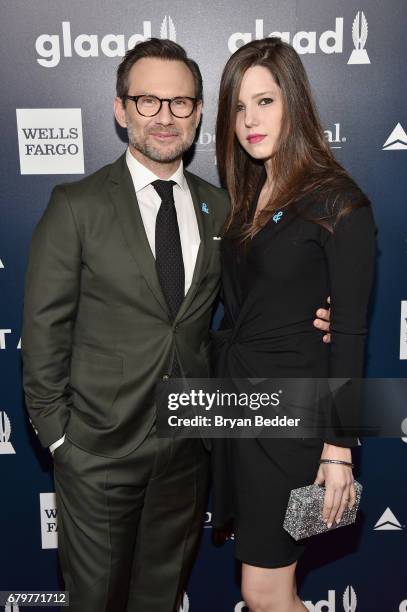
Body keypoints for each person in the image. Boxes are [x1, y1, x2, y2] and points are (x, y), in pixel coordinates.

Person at [21, 38, 331, 611]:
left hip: (189, 449)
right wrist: (62, 439)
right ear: (120, 110)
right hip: (97, 451)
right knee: (96, 602)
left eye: (181, 103)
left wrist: (317, 319)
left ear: (197, 111)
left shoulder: (227, 207)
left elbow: (252, 308)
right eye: (148, 101)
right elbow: (43, 334)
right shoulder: (76, 205)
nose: (165, 117)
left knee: (160, 599)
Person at [212, 38, 376, 612]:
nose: (250, 120)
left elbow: (350, 334)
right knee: (268, 589)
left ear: (295, 105)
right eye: (238, 105)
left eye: (265, 101)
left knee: (262, 589)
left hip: (295, 418)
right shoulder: (249, 194)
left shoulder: (338, 202)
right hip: (242, 405)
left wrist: (338, 448)